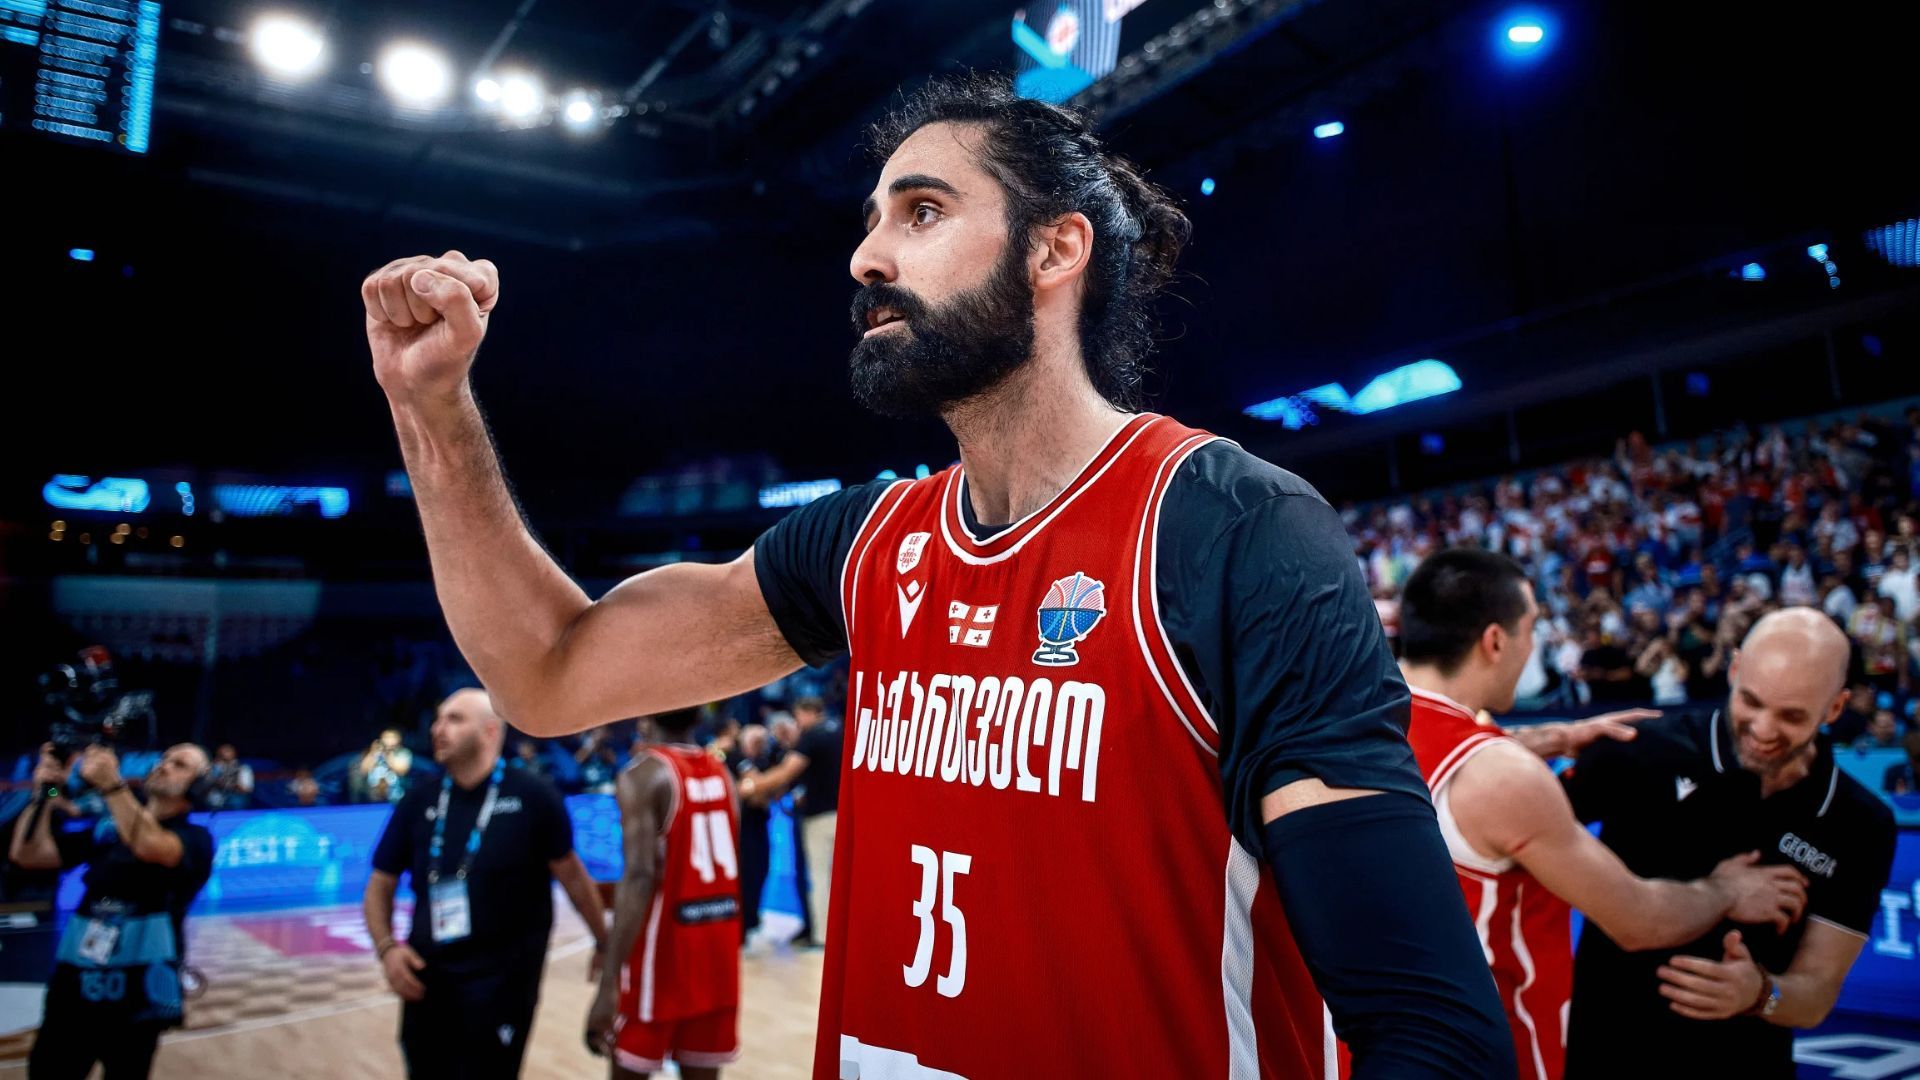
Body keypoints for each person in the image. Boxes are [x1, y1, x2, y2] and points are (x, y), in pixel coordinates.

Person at [360, 73, 1512, 1077]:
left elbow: (1430, 1030)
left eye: (921, 212)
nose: (867, 257)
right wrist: (432, 406)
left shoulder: (1231, 527)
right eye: (871, 220)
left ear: (1054, 249)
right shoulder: (864, 544)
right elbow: (550, 675)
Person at [1395, 549, 1811, 1080]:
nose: (1534, 646)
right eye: (1532, 629)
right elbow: (1639, 920)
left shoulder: (1357, 723)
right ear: (1495, 642)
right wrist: (1725, 890)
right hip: (1487, 1050)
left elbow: (1440, 749)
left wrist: (1558, 735)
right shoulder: (1501, 777)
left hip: (1384, 1040)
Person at [1560, 609, 1898, 1077]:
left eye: (1792, 716)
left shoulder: (1861, 823)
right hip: (1602, 1054)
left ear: (1834, 709)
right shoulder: (1641, 749)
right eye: (1751, 702)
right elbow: (1501, 824)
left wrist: (1760, 993)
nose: (1763, 730)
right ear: (1735, 669)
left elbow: (1817, 992)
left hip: (1747, 1063)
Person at [363, 689, 608, 1078]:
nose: (438, 729)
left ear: (490, 731)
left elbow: (574, 878)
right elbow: (380, 883)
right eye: (438, 719)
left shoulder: (534, 796)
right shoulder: (418, 800)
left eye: (454, 719)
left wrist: (603, 941)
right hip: (427, 981)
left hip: (503, 988)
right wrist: (387, 949)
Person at [9, 743, 213, 1079]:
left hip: (139, 1000)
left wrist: (111, 785)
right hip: (73, 991)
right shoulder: (107, 829)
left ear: (199, 786)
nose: (164, 766)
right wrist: (46, 792)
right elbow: (29, 854)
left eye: (180, 764)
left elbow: (150, 845)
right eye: (164, 759)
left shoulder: (195, 838)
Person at [586, 708, 742, 1078]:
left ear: (644, 717)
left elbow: (639, 878)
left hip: (662, 957)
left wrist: (609, 980)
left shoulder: (644, 774)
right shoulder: (724, 773)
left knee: (629, 1067)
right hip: (716, 952)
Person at [737, 695, 841, 944]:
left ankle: (822, 936)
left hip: (818, 818)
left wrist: (753, 785)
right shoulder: (840, 729)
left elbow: (786, 772)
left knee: (819, 877)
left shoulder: (812, 736)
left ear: (806, 713)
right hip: (842, 814)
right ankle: (836, 933)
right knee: (839, 877)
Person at [357, 728, 413, 803]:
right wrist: (373, 752)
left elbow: (401, 771)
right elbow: (363, 770)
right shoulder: (376, 753)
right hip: (372, 797)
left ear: (398, 739)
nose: (388, 740)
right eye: (386, 737)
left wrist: (388, 755)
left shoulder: (403, 753)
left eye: (392, 737)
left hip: (395, 797)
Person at [204, 743, 254, 810]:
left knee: (236, 801)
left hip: (235, 798)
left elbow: (247, 789)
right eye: (220, 756)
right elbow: (205, 784)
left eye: (226, 759)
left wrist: (229, 783)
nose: (223, 761)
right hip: (216, 798)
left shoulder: (243, 768)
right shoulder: (213, 768)